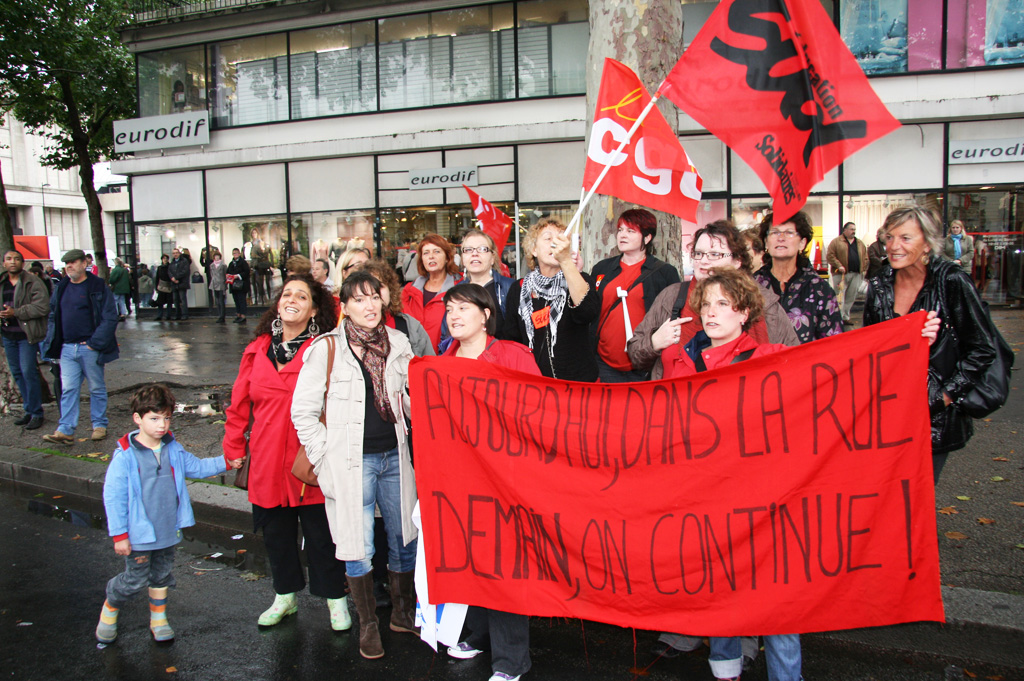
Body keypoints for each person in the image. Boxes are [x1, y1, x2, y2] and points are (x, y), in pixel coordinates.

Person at [292, 270, 418, 660]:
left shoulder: (399, 343)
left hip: (395, 457)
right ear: (344, 307)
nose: (369, 306)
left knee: (404, 538)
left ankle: (402, 611)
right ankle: (367, 624)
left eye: (374, 298)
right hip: (350, 463)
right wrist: (323, 458)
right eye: (359, 300)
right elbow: (303, 412)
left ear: (384, 302)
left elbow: (411, 401)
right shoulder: (326, 348)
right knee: (357, 545)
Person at [222, 275, 351, 629]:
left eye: (302, 296)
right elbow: (238, 404)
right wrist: (233, 446)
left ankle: (335, 601)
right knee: (276, 536)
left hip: (308, 461)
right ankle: (284, 597)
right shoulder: (258, 348)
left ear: (314, 310)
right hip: (265, 459)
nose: (292, 299)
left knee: (322, 537)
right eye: (287, 293)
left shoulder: (325, 349)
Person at [441, 283, 539, 681]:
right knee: (471, 558)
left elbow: (538, 411)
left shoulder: (513, 355)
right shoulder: (441, 362)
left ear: (486, 315)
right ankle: (477, 635)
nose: (454, 314)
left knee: (504, 566)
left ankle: (511, 662)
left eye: (464, 307)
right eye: (449, 308)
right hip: (459, 478)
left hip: (506, 479)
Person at [95, 384, 243, 644]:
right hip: (139, 534)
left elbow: (196, 467)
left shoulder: (172, 448)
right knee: (133, 580)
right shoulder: (125, 457)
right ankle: (111, 606)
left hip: (166, 530)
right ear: (137, 419)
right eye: (154, 418)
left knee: (162, 575)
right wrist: (120, 534)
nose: (161, 425)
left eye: (166, 418)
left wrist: (227, 462)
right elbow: (114, 497)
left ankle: (159, 618)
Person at [863, 206, 995, 483]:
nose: (893, 246)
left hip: (933, 418)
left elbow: (982, 349)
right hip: (887, 413)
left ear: (928, 242)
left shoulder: (951, 281)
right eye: (889, 237)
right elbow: (869, 346)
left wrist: (943, 397)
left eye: (905, 238)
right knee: (885, 496)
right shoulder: (879, 282)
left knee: (915, 499)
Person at [629, 220, 799, 381]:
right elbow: (634, 354)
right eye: (699, 253)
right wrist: (654, 343)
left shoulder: (764, 303)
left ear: (737, 260)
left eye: (714, 254)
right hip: (677, 406)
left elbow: (794, 364)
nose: (703, 260)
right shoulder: (672, 297)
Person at [504, 219, 601, 381]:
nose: (555, 242)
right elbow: (512, 339)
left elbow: (587, 312)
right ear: (534, 250)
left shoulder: (580, 281)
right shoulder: (520, 289)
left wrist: (566, 262)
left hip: (578, 385)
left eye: (560, 238)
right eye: (548, 238)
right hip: (535, 385)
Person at [591, 209, 681, 382]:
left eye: (630, 231)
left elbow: (674, 316)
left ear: (647, 238)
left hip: (646, 364)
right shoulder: (602, 269)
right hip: (604, 363)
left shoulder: (665, 273)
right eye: (620, 230)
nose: (622, 235)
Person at [41, 249, 119, 444]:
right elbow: (53, 315)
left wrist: (94, 344)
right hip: (67, 348)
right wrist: (52, 342)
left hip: (89, 347)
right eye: (66, 263)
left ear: (84, 263)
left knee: (96, 388)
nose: (69, 266)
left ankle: (99, 425)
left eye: (73, 262)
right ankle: (65, 430)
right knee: (68, 389)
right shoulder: (61, 287)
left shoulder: (97, 286)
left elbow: (109, 317)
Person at [755, 212, 843, 344]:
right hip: (762, 363)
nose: (781, 238)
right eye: (774, 232)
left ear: (802, 243)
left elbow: (834, 341)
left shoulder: (819, 289)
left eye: (789, 232)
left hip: (805, 363)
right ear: (766, 242)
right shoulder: (751, 286)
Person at [1, 250, 50, 430]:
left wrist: (17, 312)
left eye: (16, 259)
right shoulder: (2, 283)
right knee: (17, 373)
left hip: (26, 335)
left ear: (22, 263)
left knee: (29, 372)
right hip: (8, 335)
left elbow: (42, 307)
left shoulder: (32, 281)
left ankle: (37, 412)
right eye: (9, 259)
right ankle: (28, 410)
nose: (12, 262)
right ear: (4, 263)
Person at [362, 259, 434, 358]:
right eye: (369, 288)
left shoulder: (411, 326)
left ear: (390, 289)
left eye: (380, 286)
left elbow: (430, 367)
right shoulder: (347, 332)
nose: (376, 293)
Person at [402, 235, 460, 351]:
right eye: (426, 253)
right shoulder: (409, 291)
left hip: (445, 359)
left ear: (447, 258)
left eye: (437, 251)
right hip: (414, 359)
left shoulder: (460, 289)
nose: (431, 257)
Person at [826, 221, 868, 325]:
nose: (854, 231)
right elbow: (830, 256)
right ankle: (836, 316)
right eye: (851, 229)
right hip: (841, 275)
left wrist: (863, 269)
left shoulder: (859, 243)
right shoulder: (836, 242)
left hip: (856, 274)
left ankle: (845, 316)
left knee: (851, 296)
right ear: (845, 230)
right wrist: (839, 265)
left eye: (854, 229)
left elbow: (865, 257)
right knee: (838, 295)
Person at [227, 247, 251, 324]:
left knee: (242, 300)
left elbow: (246, 272)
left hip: (241, 285)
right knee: (236, 300)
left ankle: (243, 316)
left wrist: (238, 276)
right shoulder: (231, 263)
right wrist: (229, 276)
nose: (235, 255)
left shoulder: (243, 262)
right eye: (234, 253)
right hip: (234, 285)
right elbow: (228, 272)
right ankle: (238, 315)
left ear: (239, 253)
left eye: (236, 253)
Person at [167, 248, 191, 320]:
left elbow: (185, 271)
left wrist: (177, 278)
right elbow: (169, 271)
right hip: (174, 284)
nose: (175, 254)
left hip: (182, 283)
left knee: (183, 299)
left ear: (179, 253)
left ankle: (185, 314)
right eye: (173, 253)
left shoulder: (184, 261)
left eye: (176, 253)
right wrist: (172, 278)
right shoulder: (172, 262)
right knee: (175, 300)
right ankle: (178, 314)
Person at [208, 250, 227, 323]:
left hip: (221, 283)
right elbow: (212, 274)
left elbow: (225, 274)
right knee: (217, 300)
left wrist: (225, 284)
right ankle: (219, 315)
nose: (216, 257)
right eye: (215, 256)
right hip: (214, 283)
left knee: (221, 301)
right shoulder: (212, 265)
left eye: (218, 256)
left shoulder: (223, 265)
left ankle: (222, 316)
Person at [153, 254, 174, 320]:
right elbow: (157, 277)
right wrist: (156, 287)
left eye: (166, 258)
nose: (165, 260)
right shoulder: (160, 268)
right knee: (160, 302)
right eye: (163, 258)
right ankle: (160, 315)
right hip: (161, 286)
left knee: (169, 302)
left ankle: (168, 315)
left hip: (168, 286)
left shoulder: (170, 267)